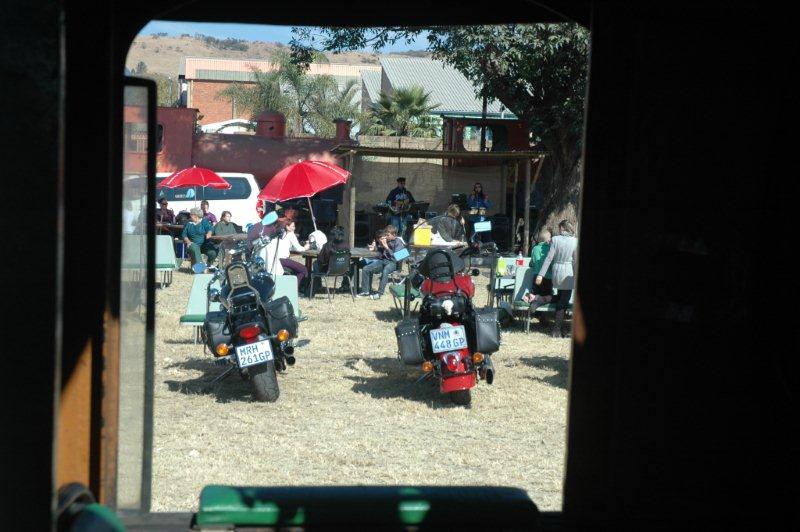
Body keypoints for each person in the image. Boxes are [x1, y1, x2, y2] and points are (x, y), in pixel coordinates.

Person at [536, 220, 578, 337]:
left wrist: (541, 275)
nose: (559, 230)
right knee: (563, 302)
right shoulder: (575, 241)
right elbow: (575, 262)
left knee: (560, 297)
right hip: (568, 271)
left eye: (560, 228)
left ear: (563, 228)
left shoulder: (555, 239)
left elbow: (549, 258)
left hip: (556, 271)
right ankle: (557, 330)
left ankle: (540, 299)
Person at [359, 224, 407, 300]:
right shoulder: (386, 241)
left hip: (394, 263)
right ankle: (365, 291)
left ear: (394, 234)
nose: (386, 237)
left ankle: (379, 293)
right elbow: (379, 252)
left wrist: (387, 247)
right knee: (366, 269)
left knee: (386, 270)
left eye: (388, 235)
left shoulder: (399, 242)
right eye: (386, 235)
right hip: (383, 261)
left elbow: (398, 258)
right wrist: (374, 248)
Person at [523, 228, 553, 309]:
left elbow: (532, 263)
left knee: (535, 295)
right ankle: (544, 317)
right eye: (550, 237)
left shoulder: (534, 248)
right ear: (547, 239)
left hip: (536, 276)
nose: (551, 239)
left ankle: (536, 312)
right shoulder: (550, 249)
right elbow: (551, 263)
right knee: (547, 296)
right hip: (548, 277)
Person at [277, 219, 310, 291]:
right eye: (293, 226)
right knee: (303, 269)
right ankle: (293, 289)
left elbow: (291, 247)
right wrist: (306, 247)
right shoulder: (291, 234)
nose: (294, 228)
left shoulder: (279, 234)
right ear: (287, 227)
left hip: (276, 260)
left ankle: (295, 286)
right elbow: (299, 249)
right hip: (283, 259)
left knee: (296, 269)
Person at [181, 207, 217, 271]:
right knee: (195, 247)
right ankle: (200, 269)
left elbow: (210, 228)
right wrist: (188, 241)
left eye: (191, 214)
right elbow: (184, 234)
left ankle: (208, 266)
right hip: (192, 245)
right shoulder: (189, 223)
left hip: (203, 245)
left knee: (212, 253)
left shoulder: (204, 222)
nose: (190, 216)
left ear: (195, 216)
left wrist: (209, 233)